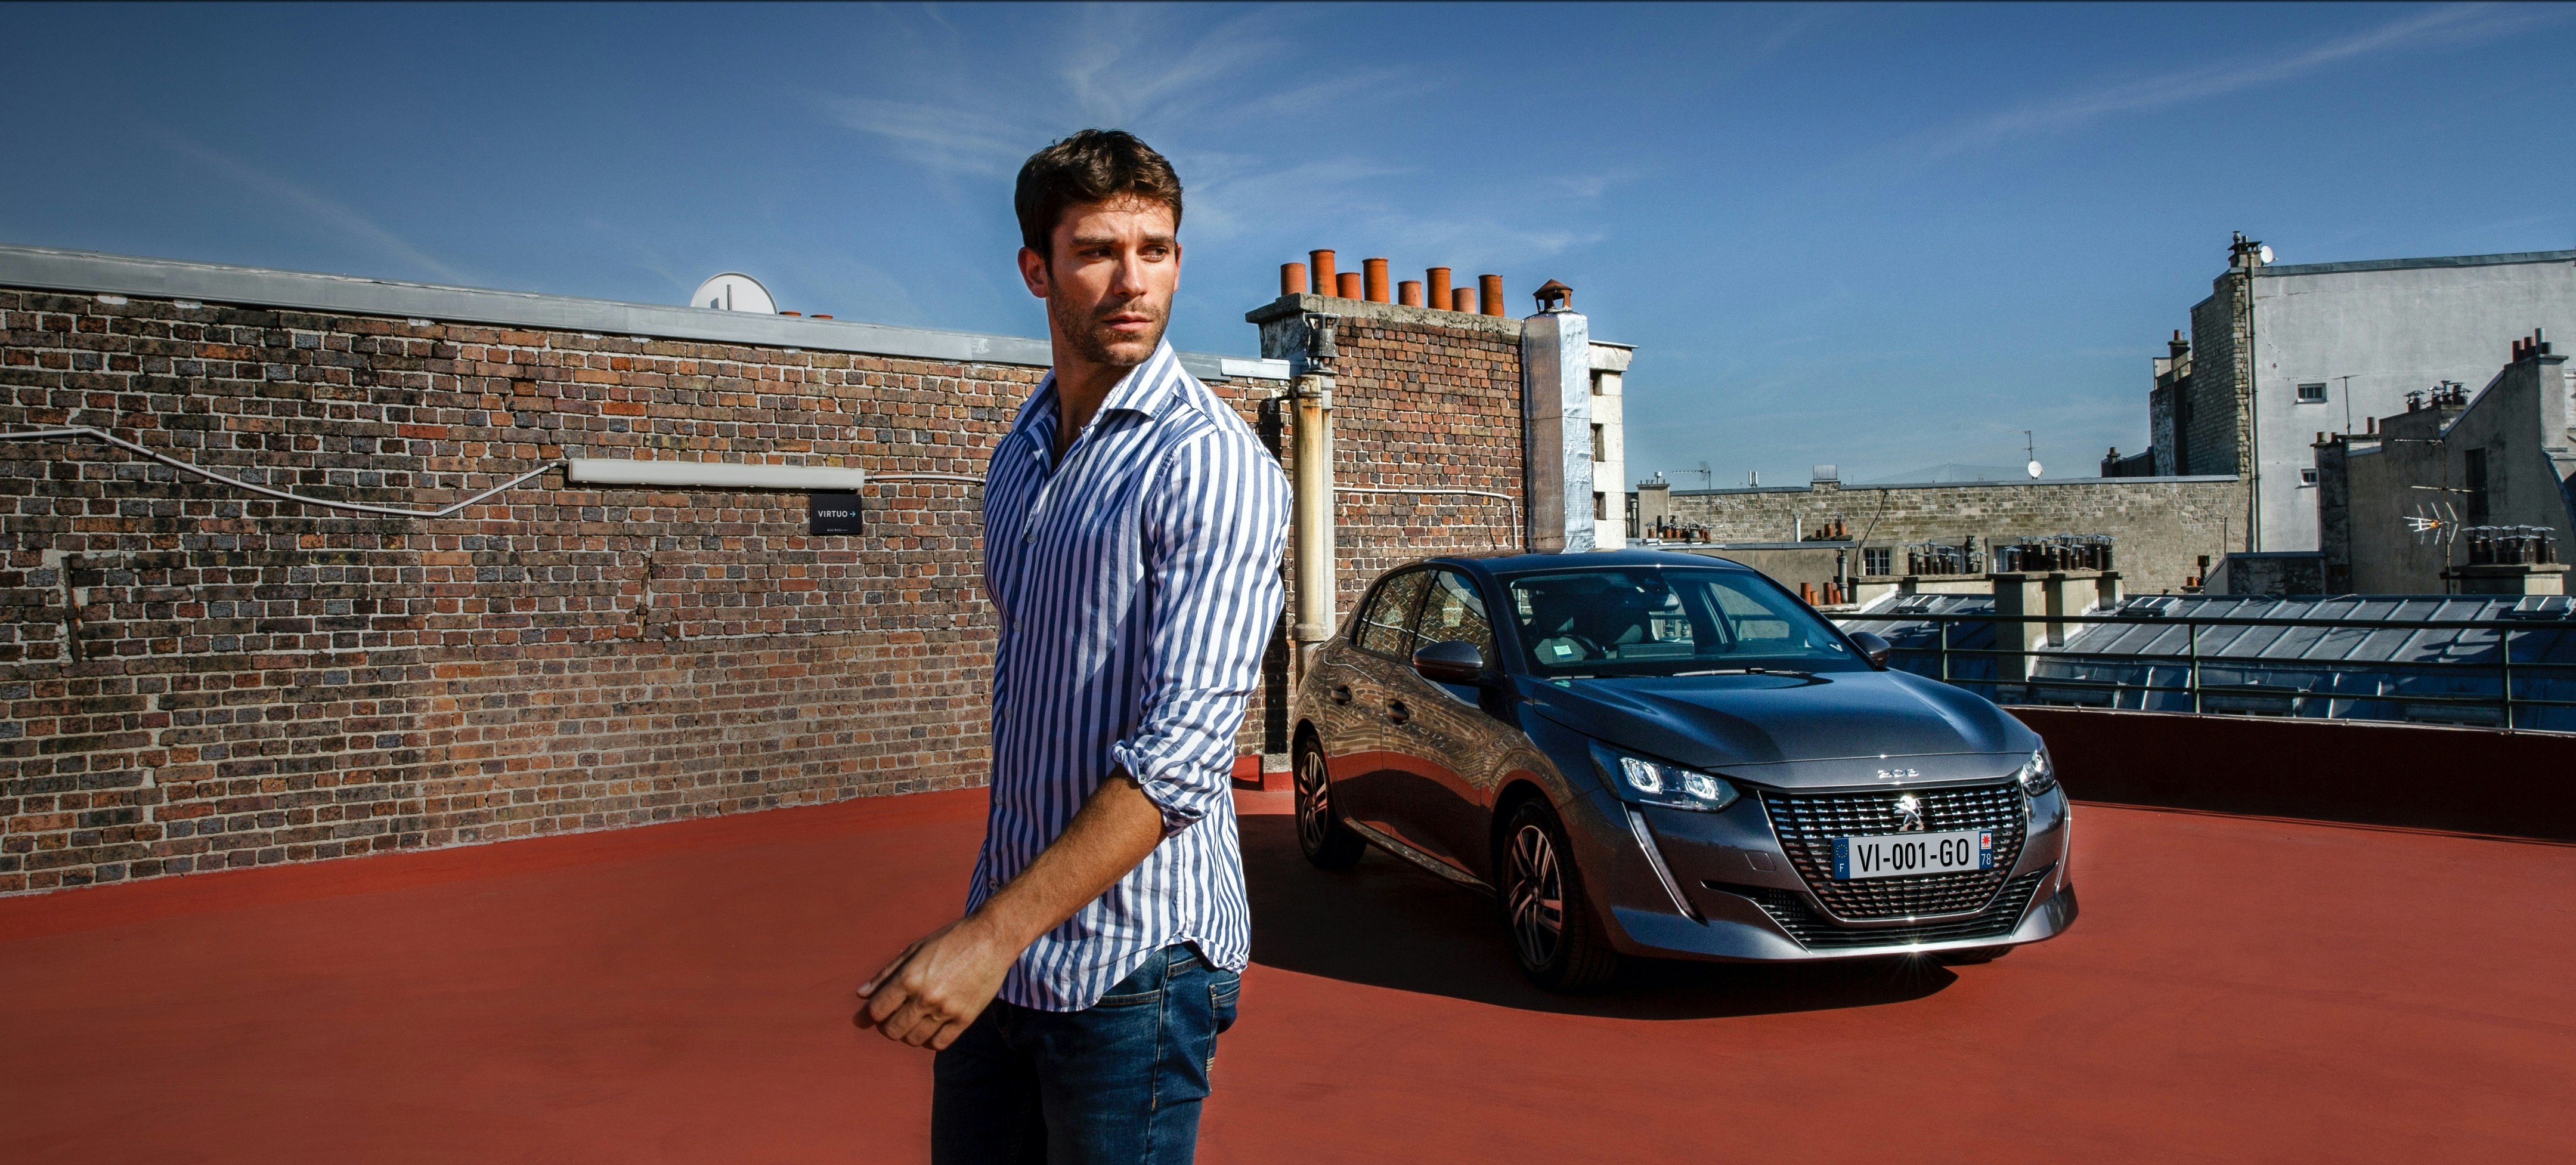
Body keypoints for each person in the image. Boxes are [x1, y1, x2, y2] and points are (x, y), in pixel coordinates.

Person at [853, 129, 1291, 1164]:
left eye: (1157, 250)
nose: (1134, 281)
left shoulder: (1208, 462)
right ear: (1036, 270)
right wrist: (993, 934)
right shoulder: (1018, 457)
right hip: (1009, 942)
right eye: (1098, 251)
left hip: (1135, 967)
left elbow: (1181, 757)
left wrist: (984, 938)